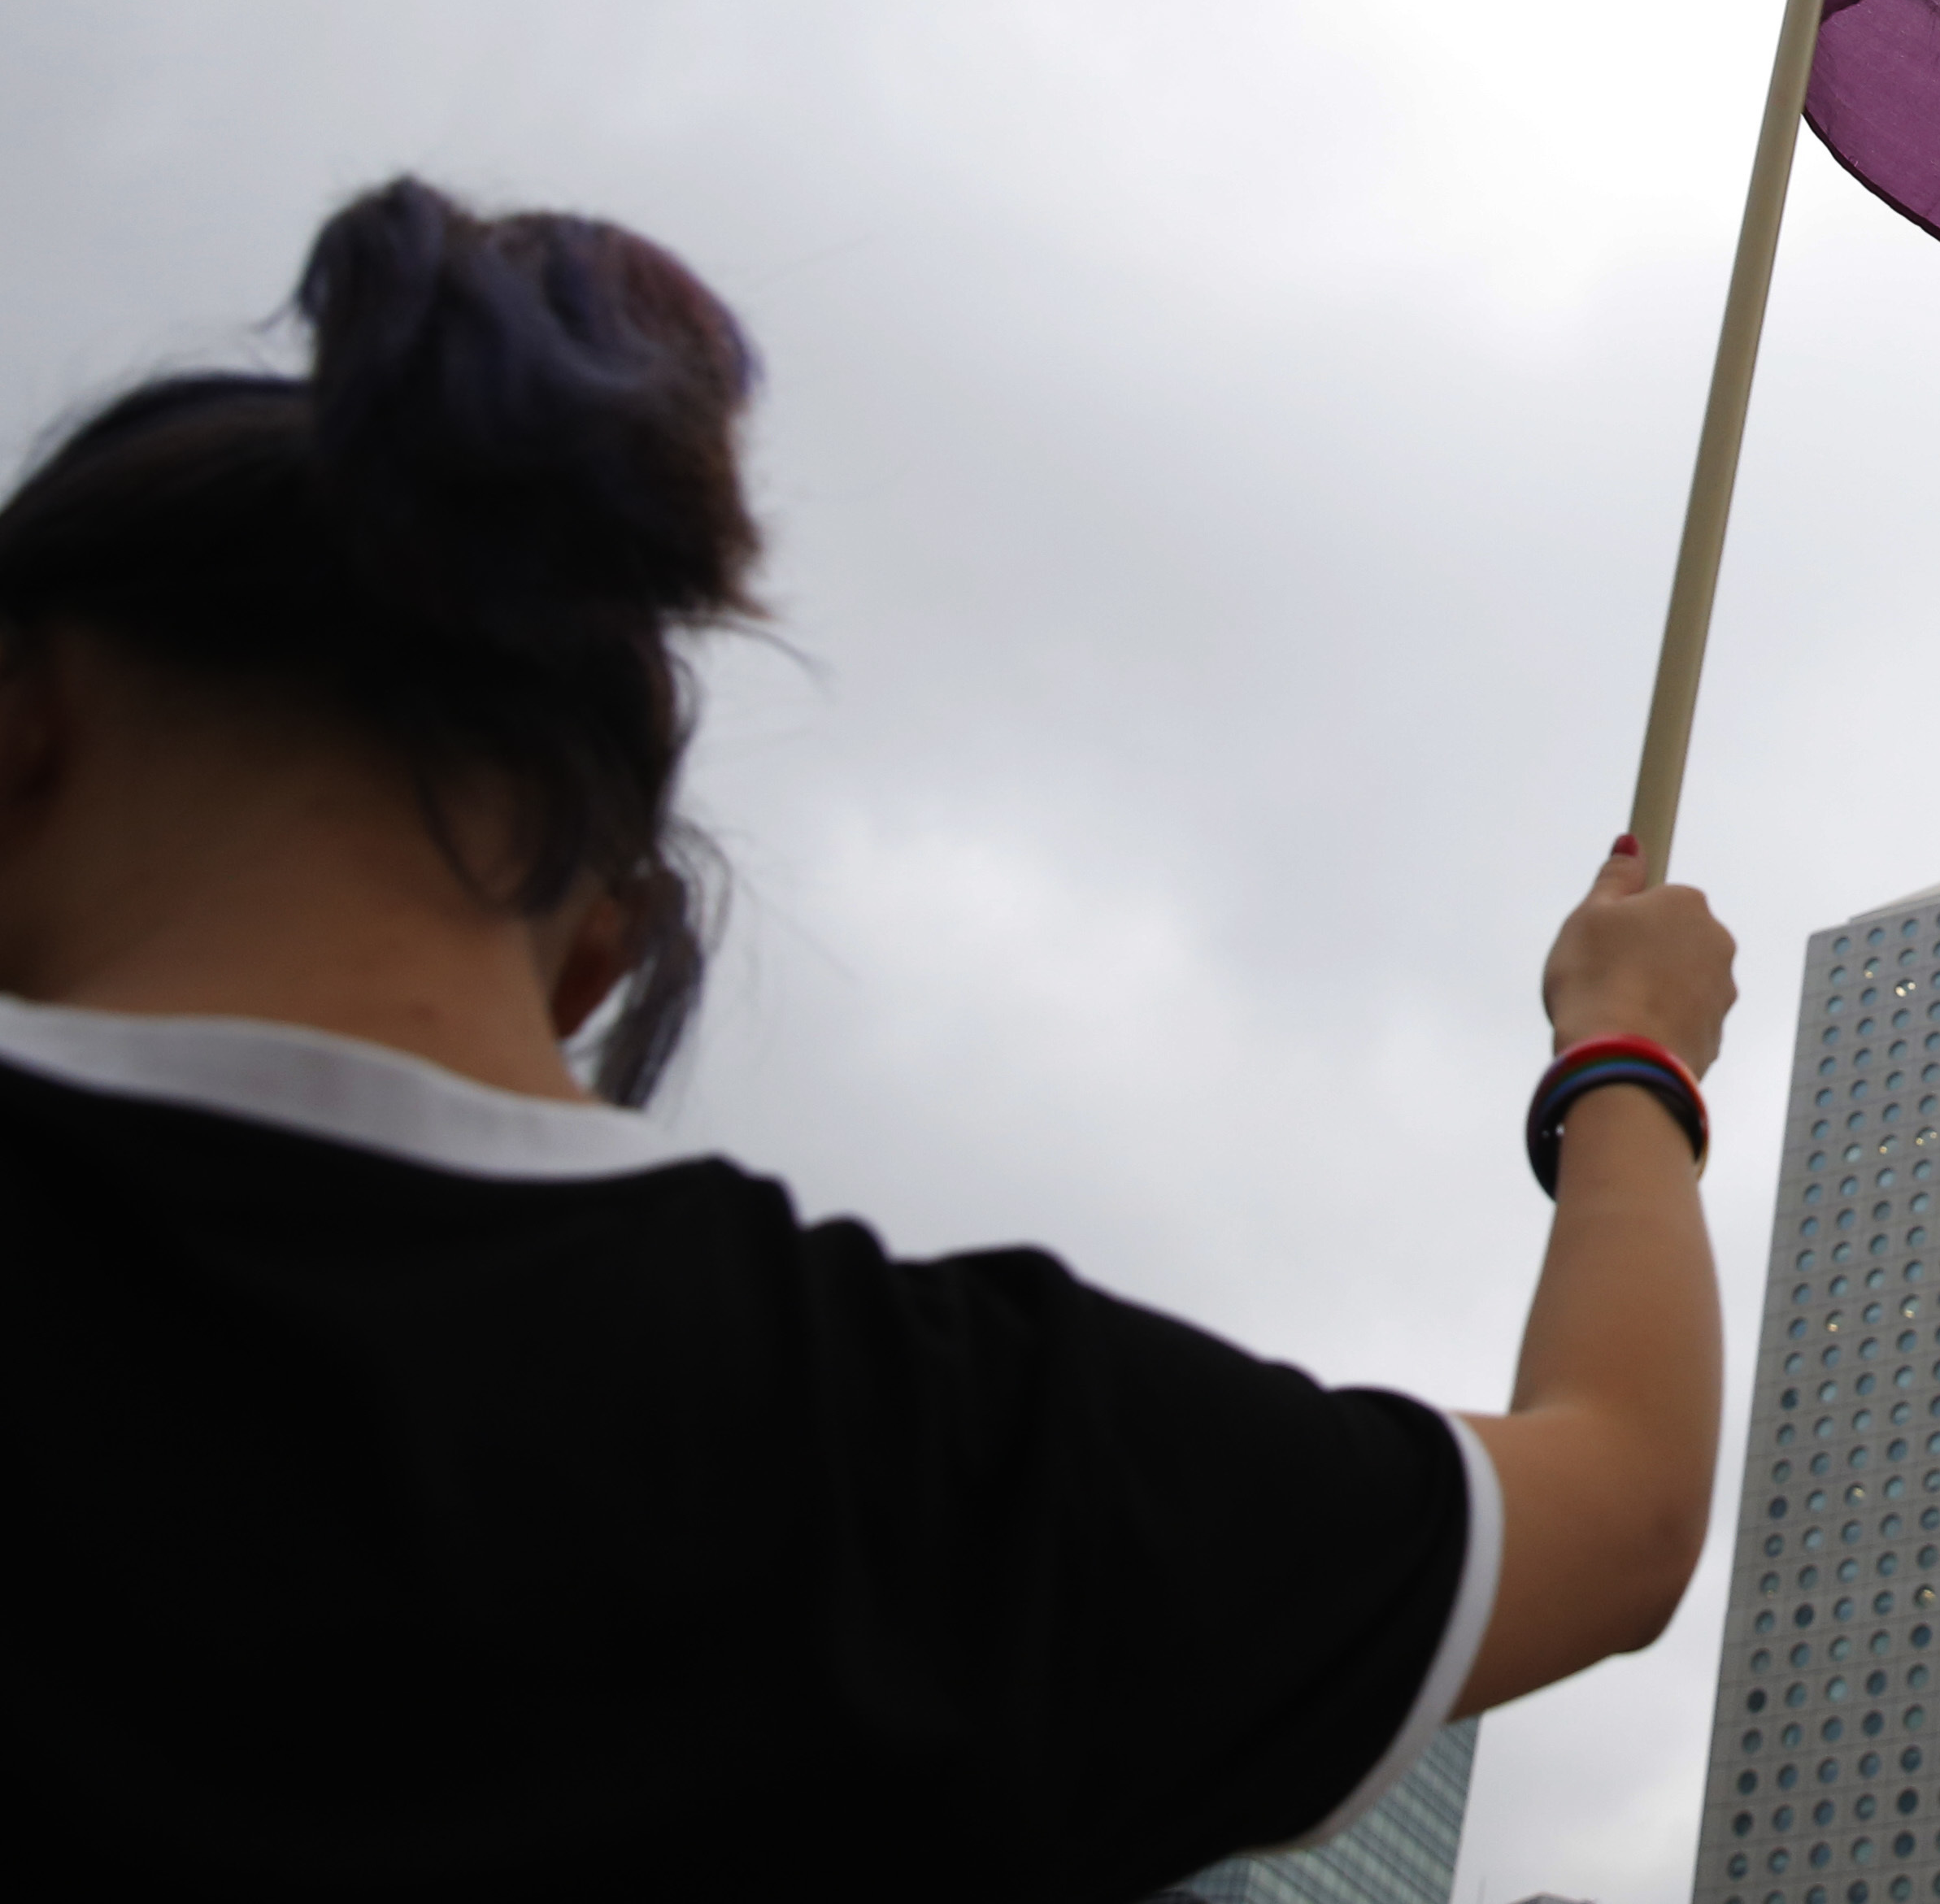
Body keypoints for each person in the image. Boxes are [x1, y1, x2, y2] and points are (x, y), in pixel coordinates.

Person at [0, 178, 1738, 1897]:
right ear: (606, 937)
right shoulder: (929, 1456)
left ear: (21, 724)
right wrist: (1625, 1049)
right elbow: (1627, 1501)